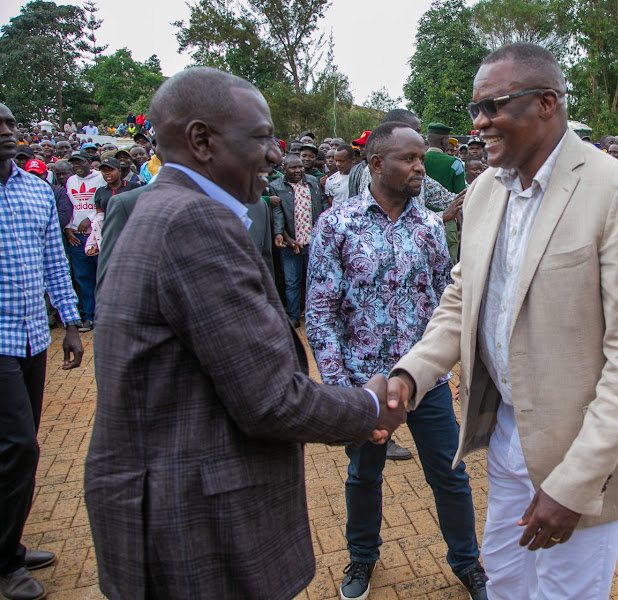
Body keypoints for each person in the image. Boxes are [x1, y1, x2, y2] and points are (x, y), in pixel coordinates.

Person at [84, 66, 405, 600]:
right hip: (196, 528)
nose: (277, 155)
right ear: (201, 140)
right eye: (260, 138)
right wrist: (371, 406)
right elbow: (272, 400)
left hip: (169, 512)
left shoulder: (156, 208)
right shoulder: (194, 222)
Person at [386, 43, 618, 600]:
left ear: (546, 103)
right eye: (476, 109)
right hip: (506, 433)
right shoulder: (488, 189)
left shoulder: (615, 192)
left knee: (565, 592)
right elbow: (463, 295)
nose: (478, 123)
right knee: (503, 578)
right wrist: (410, 375)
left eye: (492, 106)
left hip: (582, 447)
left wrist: (574, 485)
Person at [307, 122, 488, 600]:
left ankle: (468, 565)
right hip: (362, 383)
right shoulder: (336, 224)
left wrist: (436, 366)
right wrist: (342, 388)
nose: (418, 167)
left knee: (449, 476)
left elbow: (444, 301)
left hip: (424, 383)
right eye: (407, 159)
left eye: (420, 159)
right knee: (364, 475)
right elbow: (320, 314)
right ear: (376, 164)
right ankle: (362, 559)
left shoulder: (429, 226)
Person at [0, 103, 83, 600]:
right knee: (18, 447)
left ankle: (9, 538)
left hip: (33, 336)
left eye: (10, 122)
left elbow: (55, 261)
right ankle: (8, 562)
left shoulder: (35, 190)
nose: (7, 131)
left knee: (19, 444)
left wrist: (70, 323)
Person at [270, 154, 326, 327]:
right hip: (291, 244)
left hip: (313, 243)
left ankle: (313, 316)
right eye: (293, 167)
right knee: (292, 282)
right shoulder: (276, 187)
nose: (298, 170)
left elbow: (322, 206)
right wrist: (283, 236)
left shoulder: (312, 183)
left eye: (300, 167)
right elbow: (278, 214)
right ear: (284, 169)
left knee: (314, 281)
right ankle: (294, 316)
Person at [64, 151, 105, 332]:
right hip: (76, 238)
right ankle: (89, 316)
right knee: (83, 278)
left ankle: (105, 316)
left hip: (95, 236)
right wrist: (68, 229)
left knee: (102, 276)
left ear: (89, 162)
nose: (76, 165)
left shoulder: (100, 178)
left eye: (79, 162)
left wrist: (90, 218)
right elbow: (69, 207)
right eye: (73, 163)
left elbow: (104, 202)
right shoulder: (71, 181)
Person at [424, 122, 467, 263]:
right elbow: (461, 197)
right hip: (447, 222)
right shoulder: (455, 163)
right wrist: (461, 225)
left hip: (421, 223)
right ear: (444, 141)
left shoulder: (417, 161)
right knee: (449, 267)